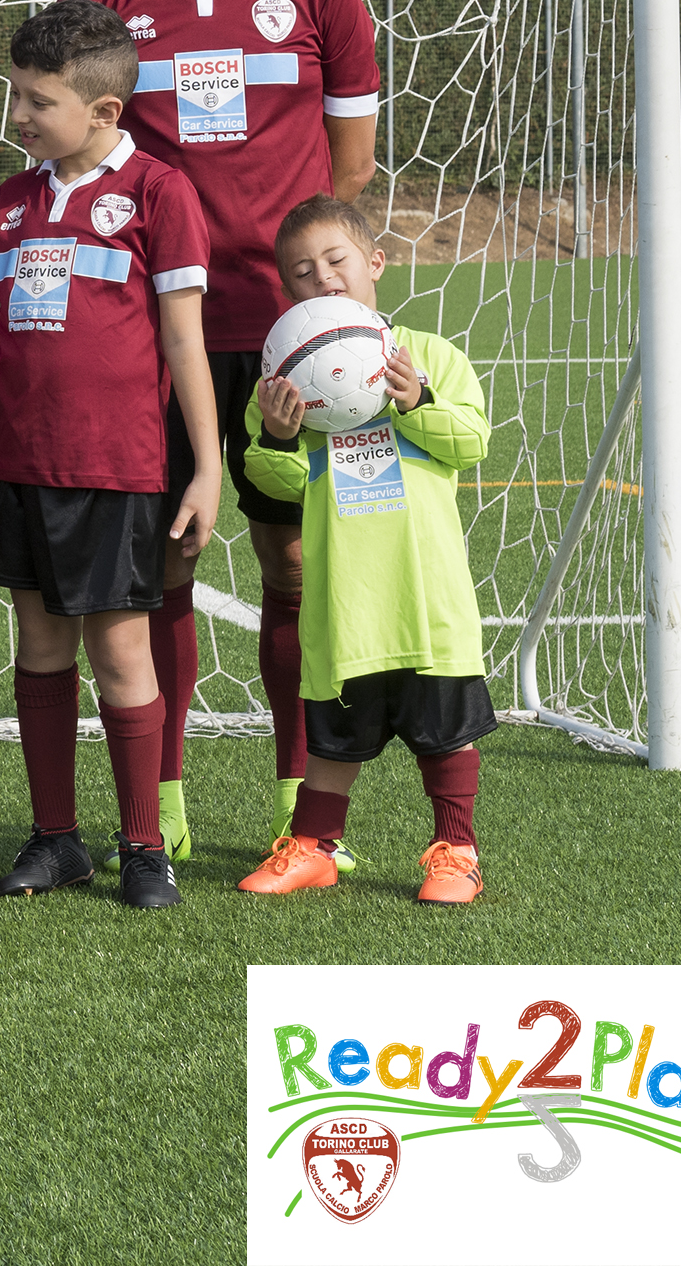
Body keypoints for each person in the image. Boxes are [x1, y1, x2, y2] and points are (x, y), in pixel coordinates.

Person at [62, 0, 381, 862]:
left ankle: (303, 799)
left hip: (286, 336)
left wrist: (323, 303)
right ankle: (170, 794)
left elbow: (347, 171)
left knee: (294, 567)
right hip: (151, 334)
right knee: (166, 565)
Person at [0, 0, 218, 912]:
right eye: (17, 97)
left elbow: (184, 344)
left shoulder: (158, 192)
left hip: (114, 470)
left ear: (106, 112)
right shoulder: (11, 200)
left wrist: (205, 466)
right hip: (18, 468)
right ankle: (55, 837)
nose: (21, 118)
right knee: (38, 647)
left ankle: (143, 845)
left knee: (121, 656)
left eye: (39, 102)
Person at [235, 196, 493, 906]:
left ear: (375, 262)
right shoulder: (283, 380)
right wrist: (282, 435)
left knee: (442, 728)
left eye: (336, 260)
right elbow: (273, 479)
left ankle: (455, 854)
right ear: (289, 291)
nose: (323, 277)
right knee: (333, 734)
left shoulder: (430, 354)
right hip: (346, 595)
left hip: (424, 591)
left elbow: (471, 441)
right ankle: (314, 847)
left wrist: (421, 401)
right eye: (302, 271)